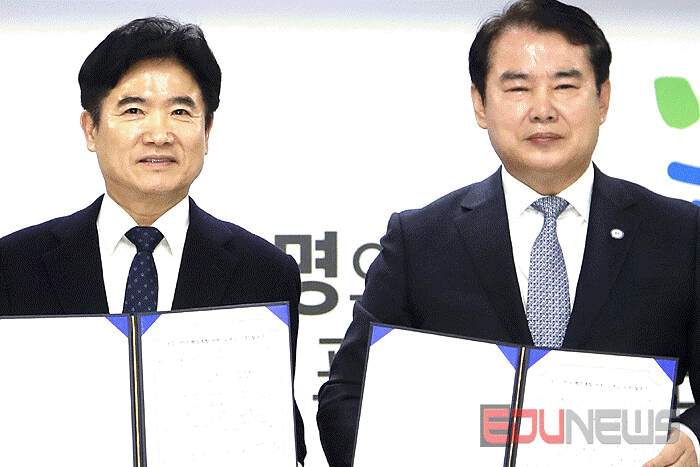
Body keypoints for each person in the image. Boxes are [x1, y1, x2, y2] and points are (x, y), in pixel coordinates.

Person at [316, 1, 700, 467]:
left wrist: (693, 443)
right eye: (518, 88)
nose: (543, 110)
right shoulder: (419, 242)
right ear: (480, 104)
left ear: (602, 100)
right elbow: (347, 399)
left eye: (565, 85)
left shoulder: (680, 235)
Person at [0, 17, 306, 464]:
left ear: (208, 130)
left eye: (181, 111)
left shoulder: (264, 272)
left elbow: (280, 435)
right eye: (133, 110)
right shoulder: (14, 266)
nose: (159, 134)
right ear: (90, 129)